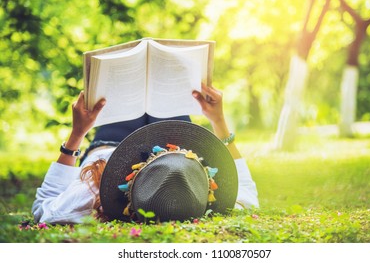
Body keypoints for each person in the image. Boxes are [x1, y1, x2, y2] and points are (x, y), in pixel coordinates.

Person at [32, 84, 259, 224]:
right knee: (166, 87)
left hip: (111, 143)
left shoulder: (90, 194)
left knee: (128, 86)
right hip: (176, 143)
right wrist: (218, 120)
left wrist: (78, 132)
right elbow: (245, 188)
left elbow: (42, 206)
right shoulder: (202, 199)